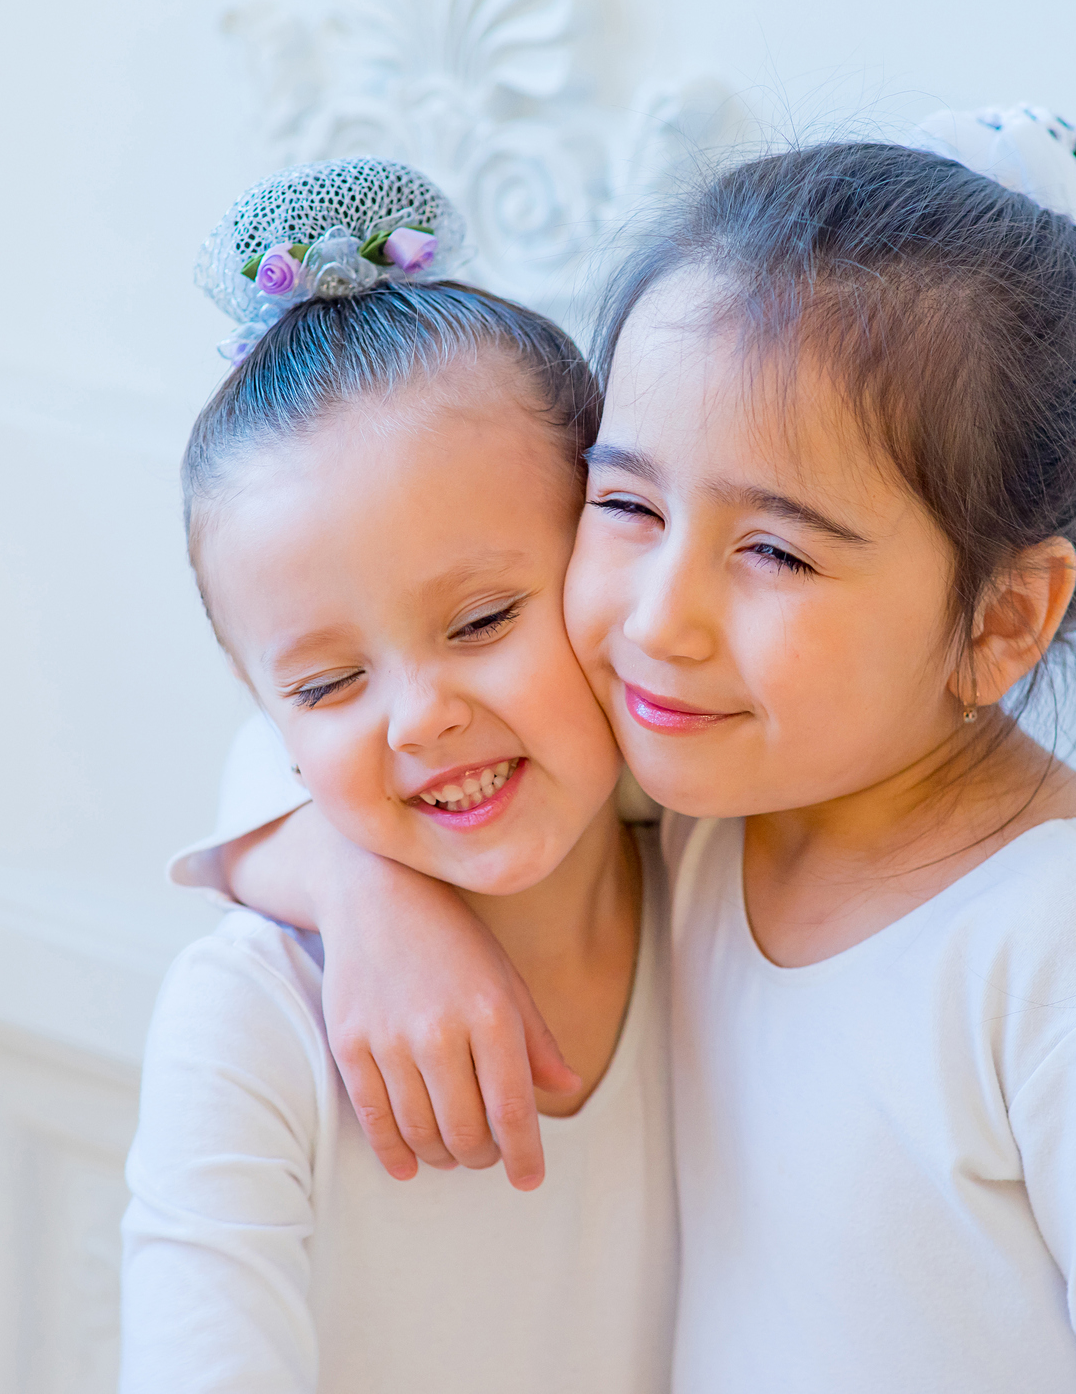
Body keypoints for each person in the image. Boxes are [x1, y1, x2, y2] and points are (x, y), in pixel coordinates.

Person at [206, 111, 1076, 1392]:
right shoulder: (703, 797)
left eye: (777, 550)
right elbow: (291, 744)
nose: (661, 619)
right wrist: (369, 893)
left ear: (1004, 616)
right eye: (625, 505)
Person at [117, 157, 675, 1394]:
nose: (422, 720)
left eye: (480, 621)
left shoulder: (733, 889)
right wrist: (361, 887)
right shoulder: (249, 1019)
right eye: (324, 687)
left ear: (609, 544)